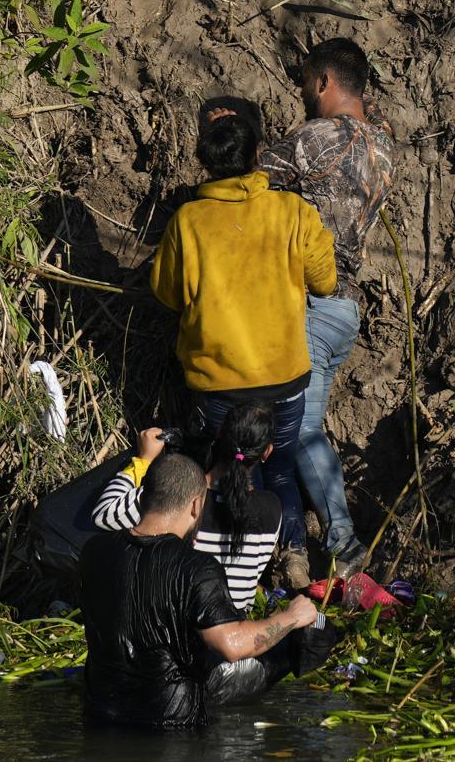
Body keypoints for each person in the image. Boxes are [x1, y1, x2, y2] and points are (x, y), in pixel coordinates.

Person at [150, 102, 337, 587]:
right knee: (280, 468)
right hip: (284, 380)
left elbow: (167, 294)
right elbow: (325, 280)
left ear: (204, 159)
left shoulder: (187, 223)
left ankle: (214, 572)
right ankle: (293, 557)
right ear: (259, 153)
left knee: (219, 469)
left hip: (217, 387)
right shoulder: (292, 211)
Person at [257, 38, 395, 579]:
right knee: (296, 426)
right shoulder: (384, 145)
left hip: (310, 305)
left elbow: (248, 182)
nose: (301, 95)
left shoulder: (314, 139)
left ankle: (345, 550)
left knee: (303, 430)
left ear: (323, 83)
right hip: (344, 315)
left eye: (305, 84)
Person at [80, 454, 322, 730]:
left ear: (144, 496)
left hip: (101, 715)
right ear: (196, 505)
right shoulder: (196, 567)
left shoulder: (94, 552)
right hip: (169, 725)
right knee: (316, 632)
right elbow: (232, 645)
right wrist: (291, 616)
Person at [92, 406, 283, 612]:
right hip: (234, 626)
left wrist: (143, 461)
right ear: (267, 452)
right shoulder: (273, 509)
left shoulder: (182, 495)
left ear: (220, 433)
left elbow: (104, 515)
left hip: (176, 625)